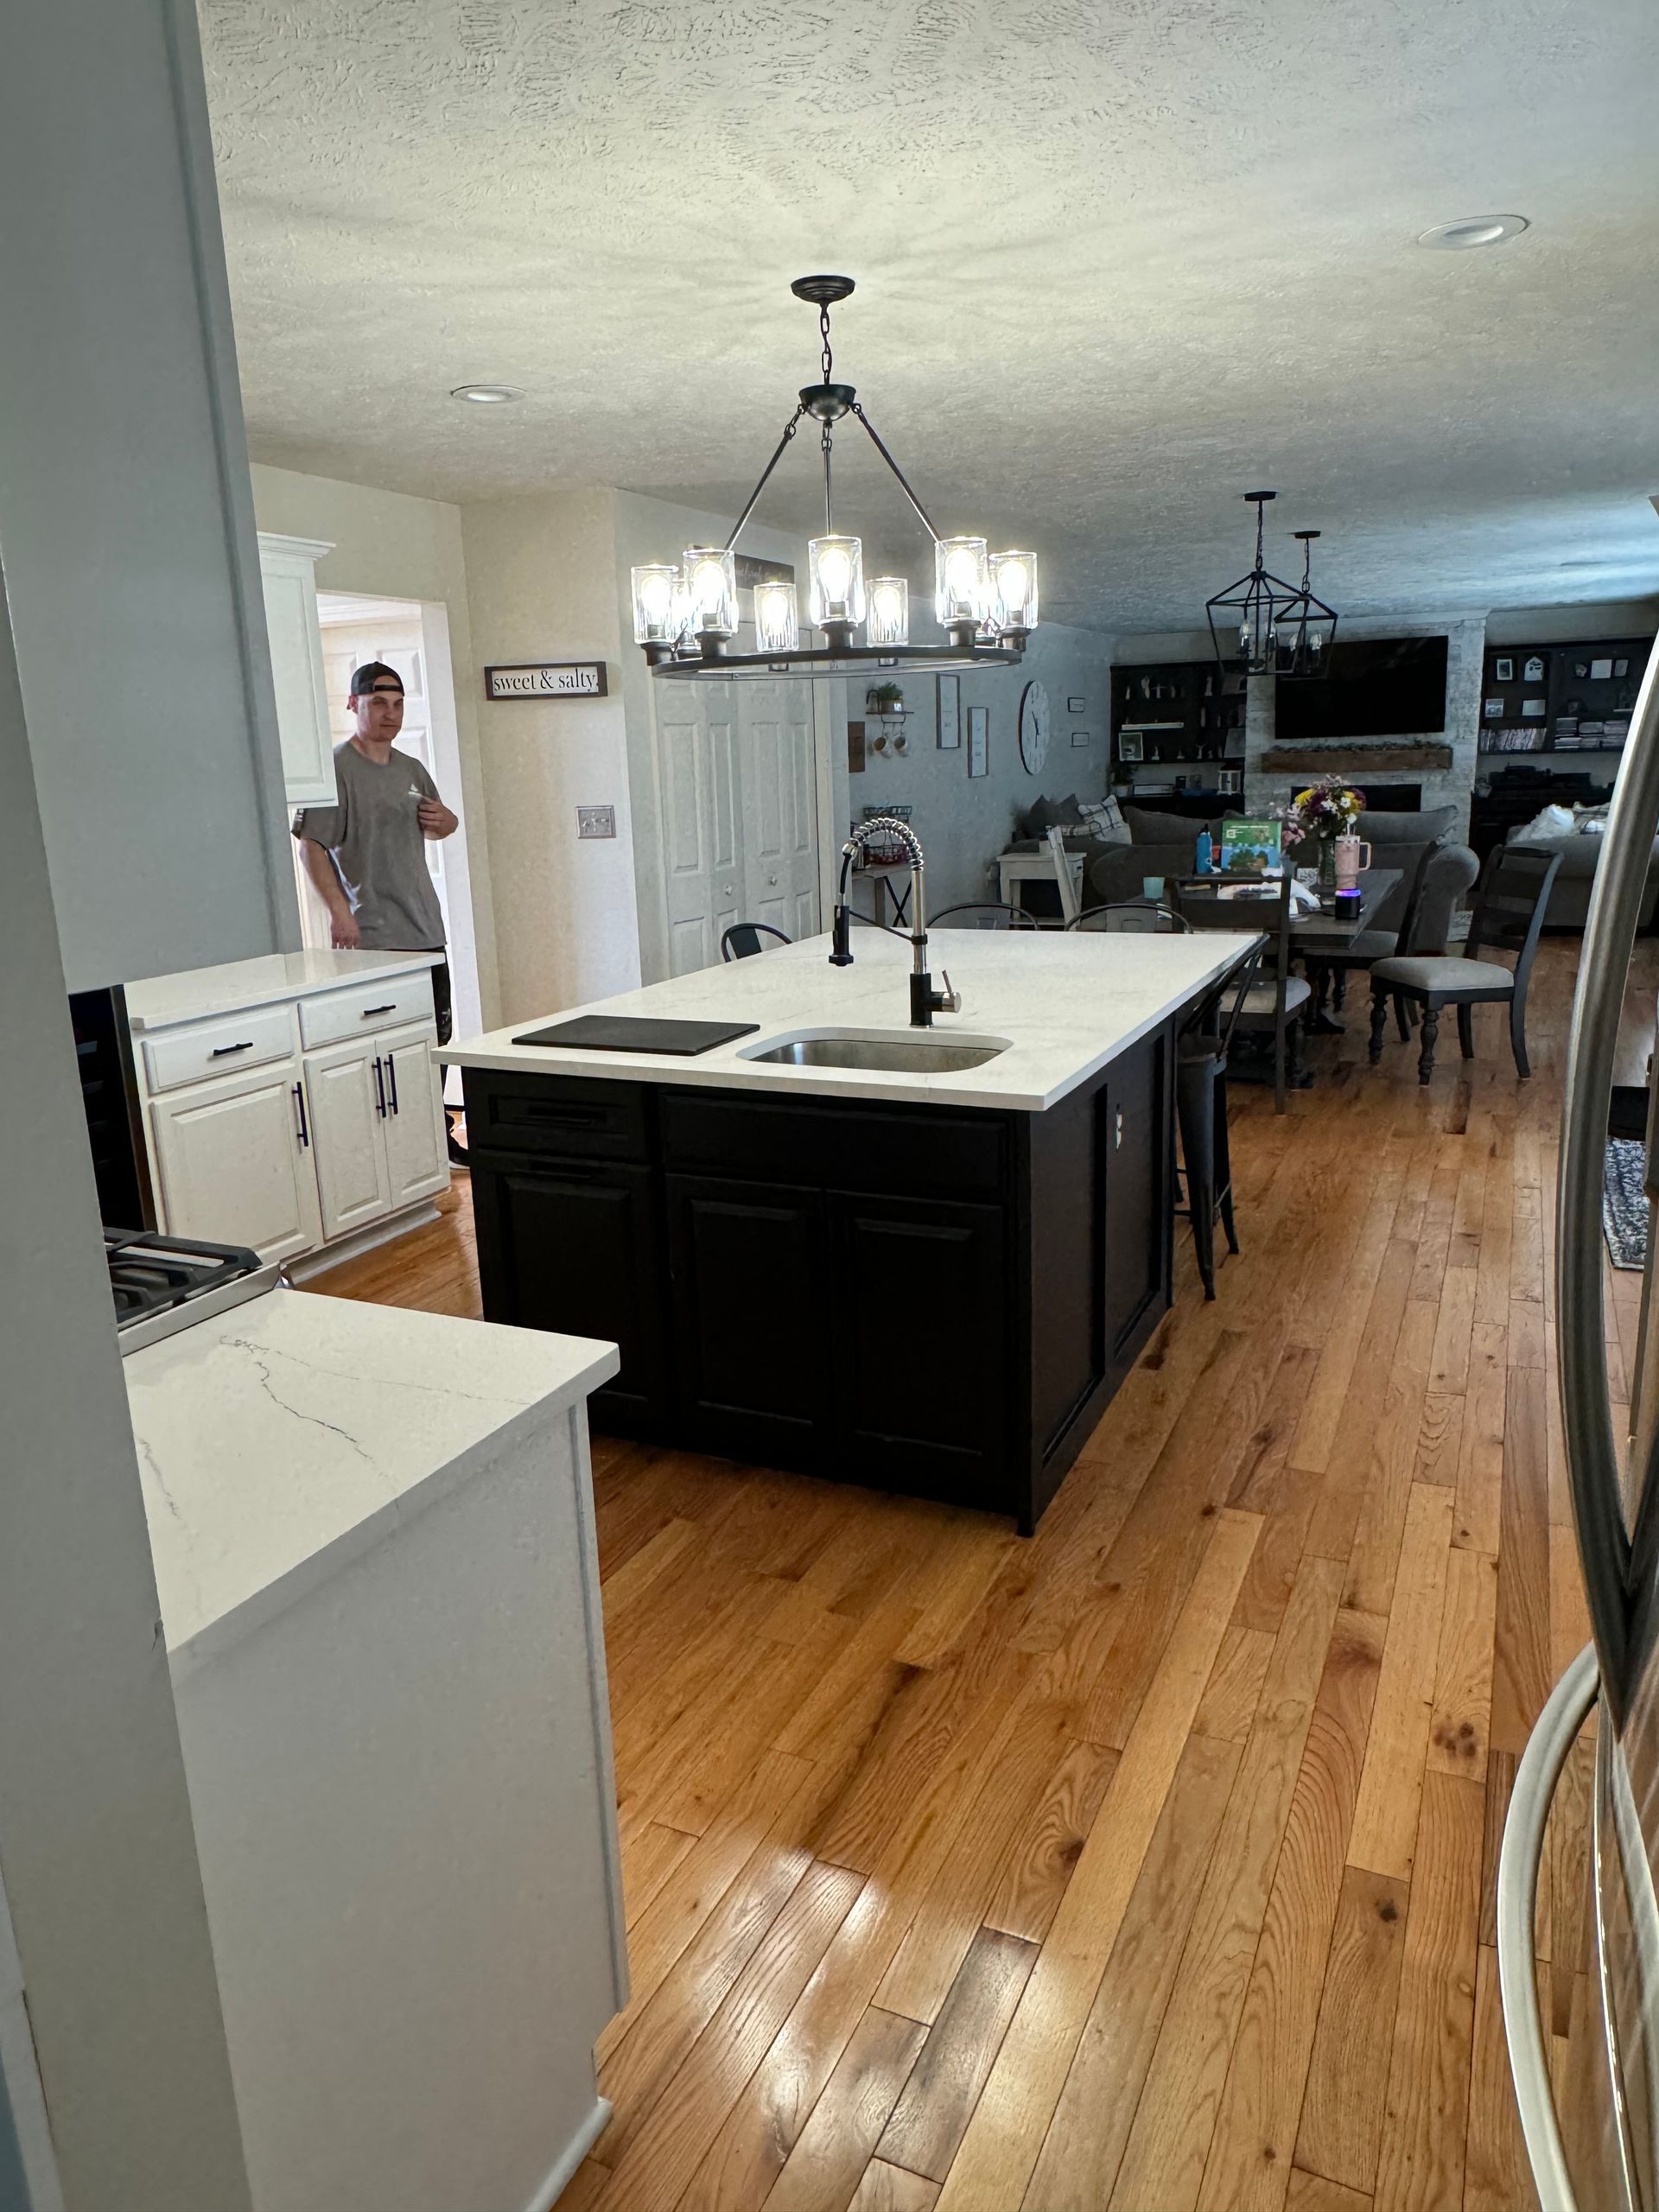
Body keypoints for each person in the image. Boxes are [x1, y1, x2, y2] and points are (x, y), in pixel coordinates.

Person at [291, 660, 460, 1043]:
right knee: (387, 1044)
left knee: (436, 1039)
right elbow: (311, 846)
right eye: (380, 702)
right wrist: (339, 913)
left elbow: (437, 829)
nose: (391, 714)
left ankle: (433, 1107)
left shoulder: (411, 769)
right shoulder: (335, 769)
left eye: (398, 704)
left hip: (424, 930)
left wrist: (448, 822)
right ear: (354, 703)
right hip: (372, 937)